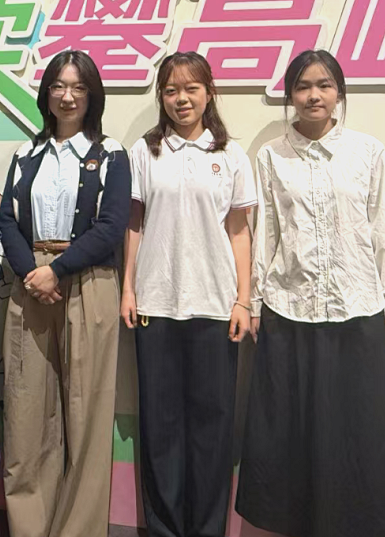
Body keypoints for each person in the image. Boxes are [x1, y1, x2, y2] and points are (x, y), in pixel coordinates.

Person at [235, 49, 385, 537]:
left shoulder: (367, 151)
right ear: (290, 95)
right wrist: (255, 302)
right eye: (303, 86)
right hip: (288, 310)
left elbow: (383, 229)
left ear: (339, 92)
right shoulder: (271, 156)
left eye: (324, 85)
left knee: (361, 432)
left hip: (357, 308)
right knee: (292, 433)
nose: (314, 95)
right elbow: (266, 234)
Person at [122, 52, 255, 537]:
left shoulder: (230, 154)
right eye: (172, 90)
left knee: (212, 427)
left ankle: (206, 528)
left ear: (209, 92)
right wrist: (128, 288)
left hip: (215, 306)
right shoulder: (145, 151)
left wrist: (244, 299)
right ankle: (164, 528)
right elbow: (134, 225)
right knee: (159, 427)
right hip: (155, 304)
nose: (182, 99)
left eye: (191, 88)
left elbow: (239, 231)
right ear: (161, 96)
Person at [0, 50, 131, 537]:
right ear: (46, 94)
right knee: (26, 408)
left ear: (92, 95)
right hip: (30, 284)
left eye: (78, 86)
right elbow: (7, 220)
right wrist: (31, 272)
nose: (67, 96)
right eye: (58, 85)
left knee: (86, 411)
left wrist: (57, 270)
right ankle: (29, 525)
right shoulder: (25, 154)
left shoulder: (112, 153)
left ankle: (78, 528)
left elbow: (112, 225)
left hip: (89, 282)